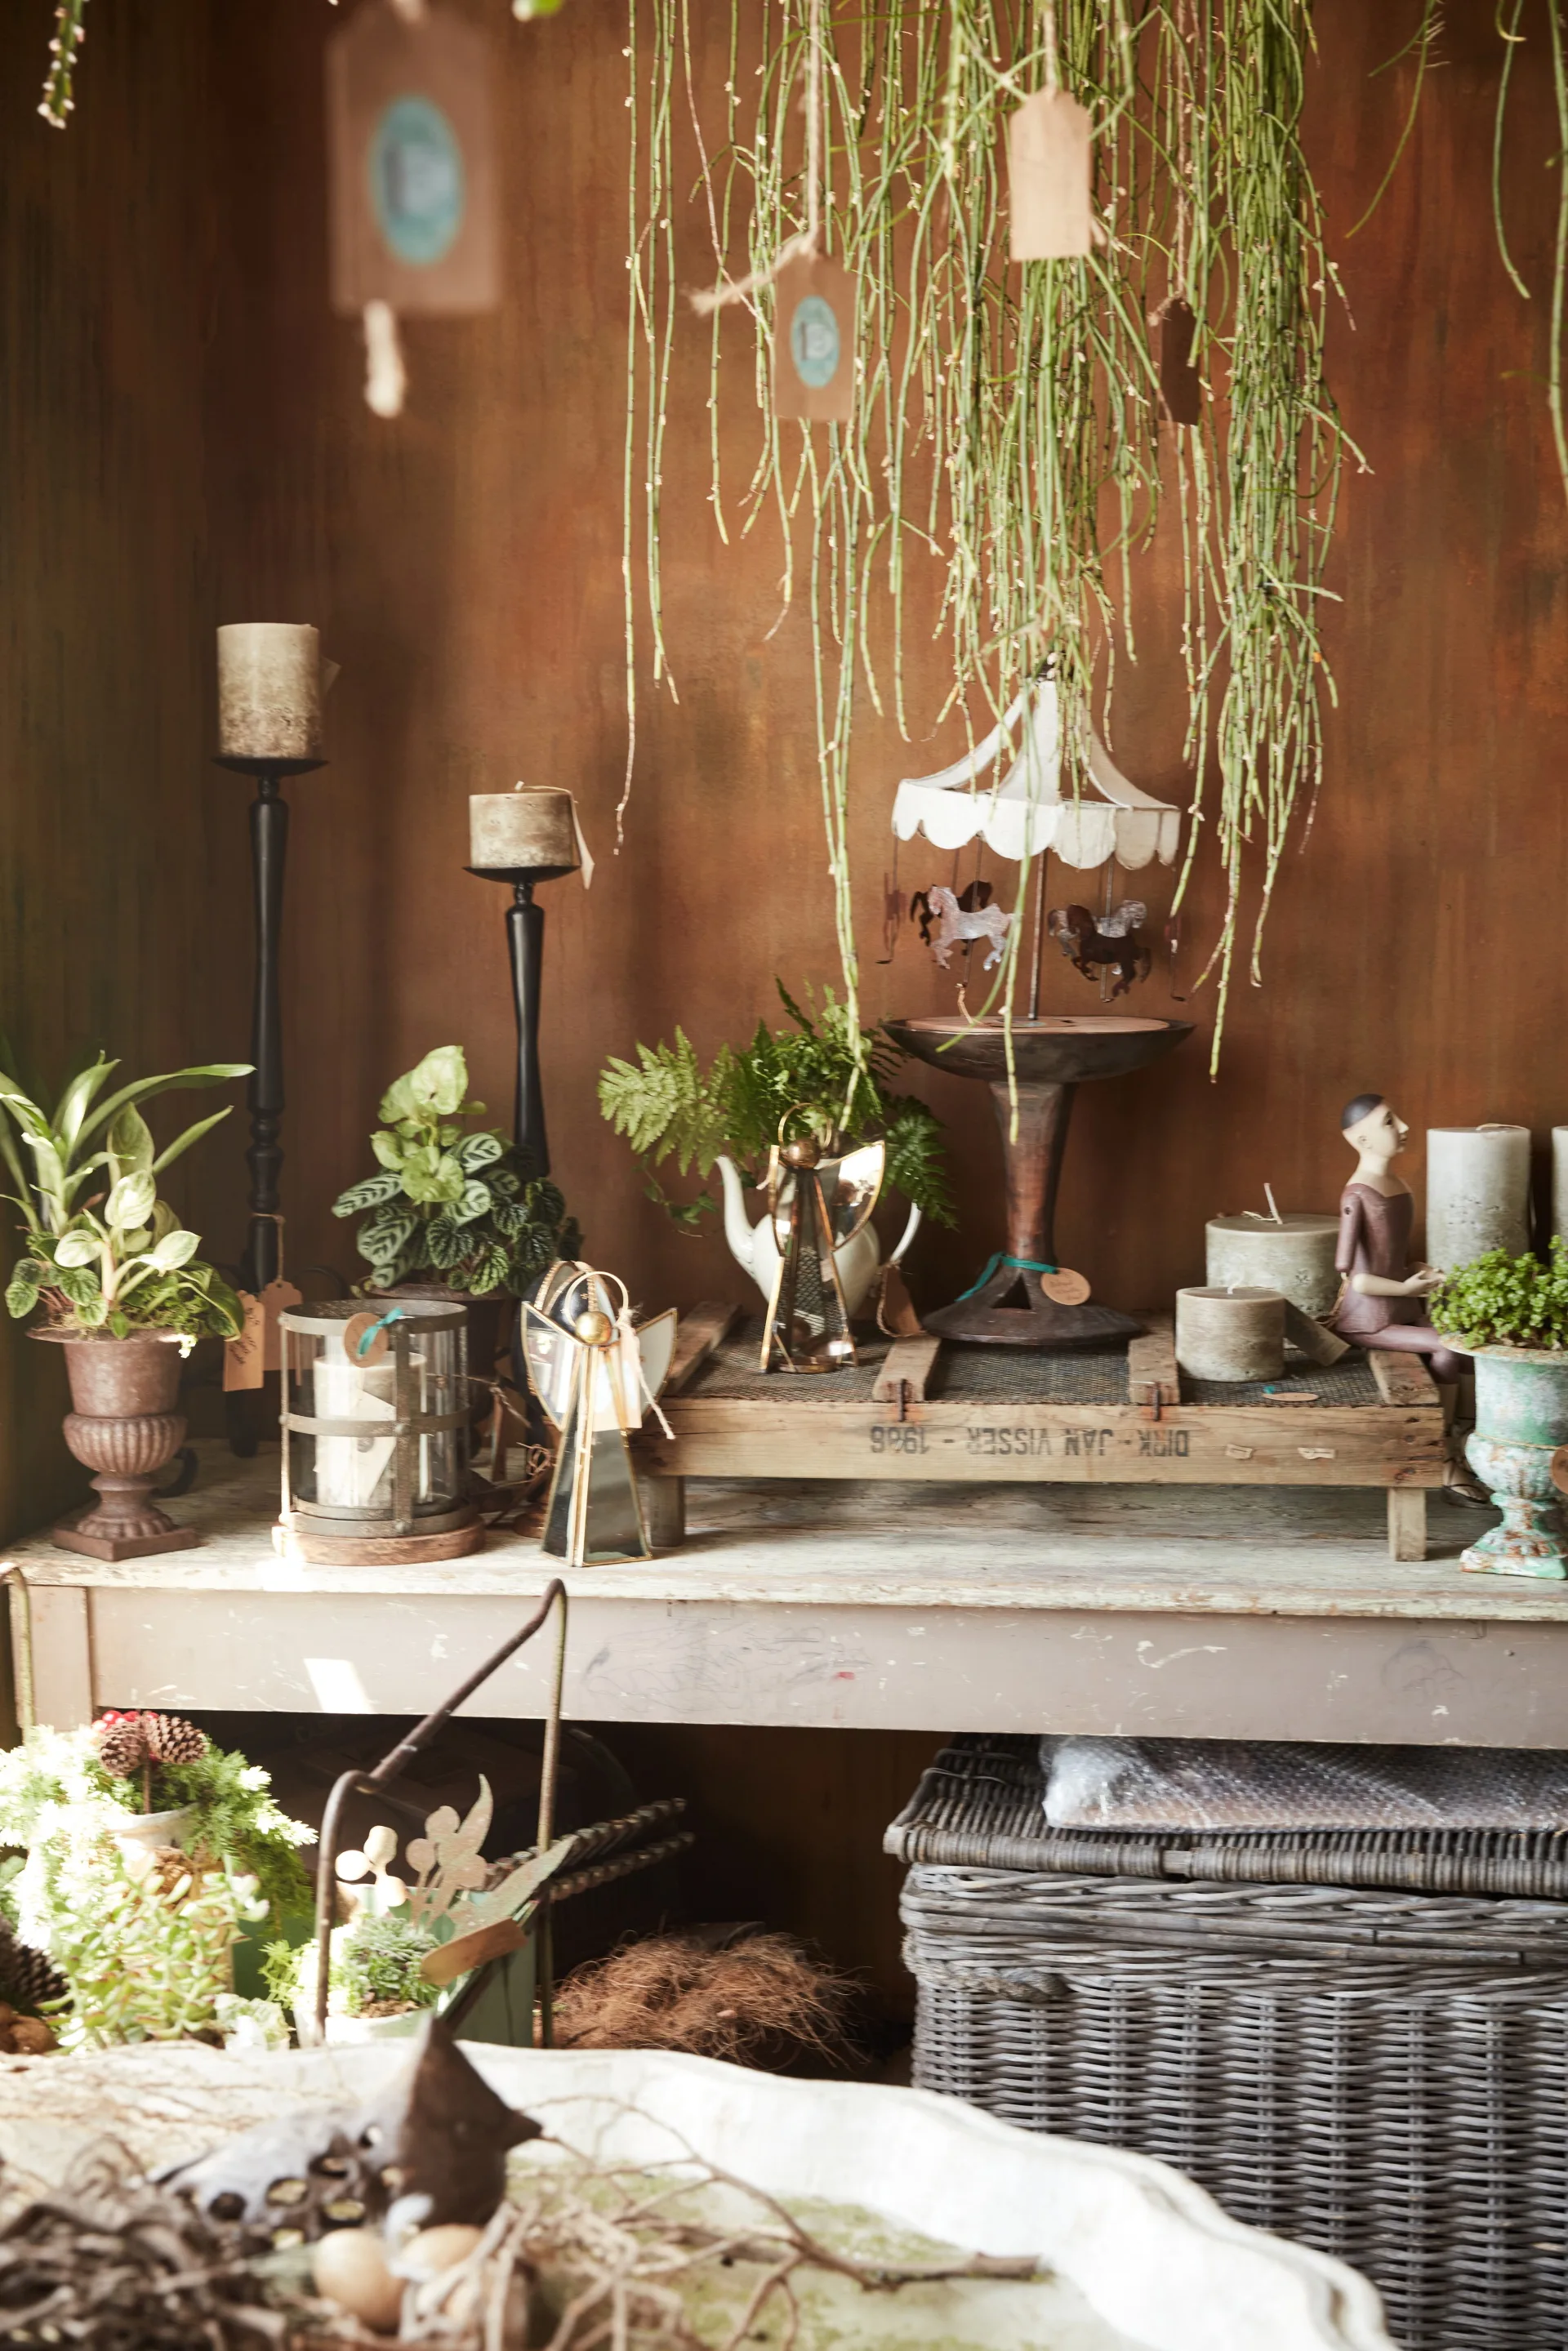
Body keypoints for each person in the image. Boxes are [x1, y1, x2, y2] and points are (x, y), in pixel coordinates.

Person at [1334, 1093, 1469, 1382]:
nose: (1404, 1127)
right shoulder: (1357, 1194)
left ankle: (1473, 1419)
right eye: (1389, 1122)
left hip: (1402, 1309)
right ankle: (1444, 1426)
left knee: (1465, 1342)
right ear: (1364, 1141)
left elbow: (1395, 1260)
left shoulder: (1398, 1185)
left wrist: (1425, 1272)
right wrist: (1405, 1289)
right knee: (1446, 1347)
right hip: (1369, 1318)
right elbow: (1356, 1279)